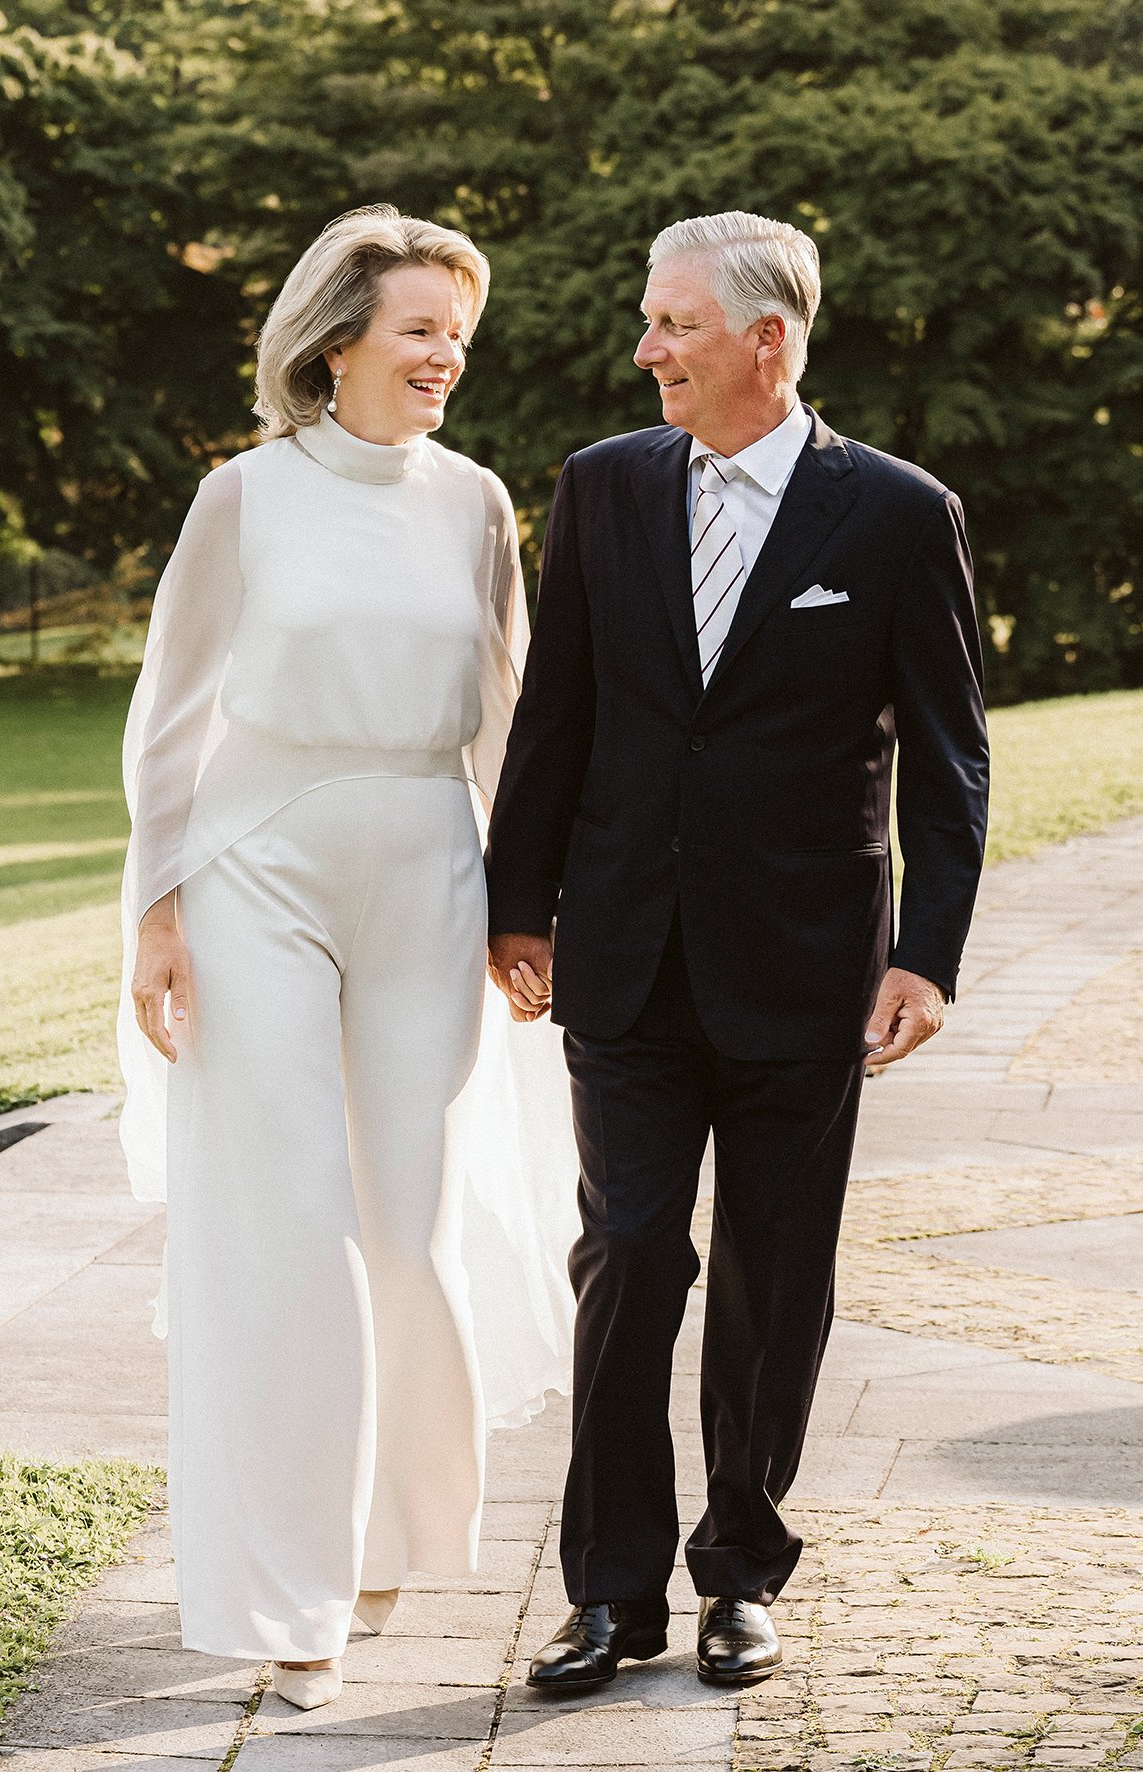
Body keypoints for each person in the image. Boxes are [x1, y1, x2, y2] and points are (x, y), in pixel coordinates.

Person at [485, 211, 989, 1690]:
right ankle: (609, 1592)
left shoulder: (898, 514)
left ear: (767, 341)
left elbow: (950, 760)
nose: (645, 351)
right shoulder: (601, 489)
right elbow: (556, 714)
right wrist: (518, 905)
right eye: (649, 324)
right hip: (622, 955)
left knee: (775, 1277)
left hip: (805, 962)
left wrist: (930, 957)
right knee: (629, 1252)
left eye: (674, 327)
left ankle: (738, 1573)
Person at [117, 205, 576, 1712]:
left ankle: (385, 1534)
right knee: (290, 1218)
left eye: (458, 330)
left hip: (428, 871)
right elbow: (171, 717)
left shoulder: (472, 503)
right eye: (418, 327)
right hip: (260, 867)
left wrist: (527, 905)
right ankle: (288, 1598)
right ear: (336, 342)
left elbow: (510, 720)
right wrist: (156, 906)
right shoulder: (243, 501)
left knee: (408, 1218)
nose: (445, 354)